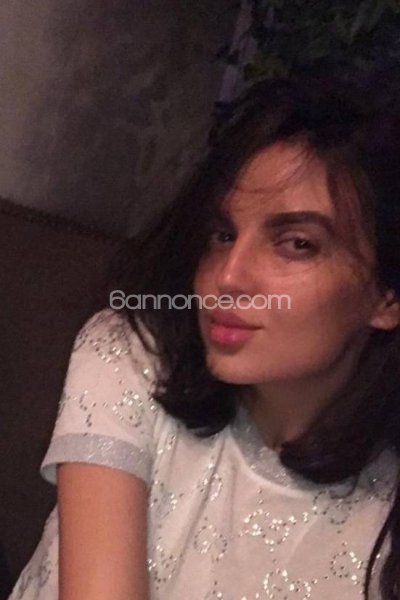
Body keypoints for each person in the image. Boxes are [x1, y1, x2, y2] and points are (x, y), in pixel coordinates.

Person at [9, 70, 400, 600]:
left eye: (297, 244)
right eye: (223, 234)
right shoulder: (133, 355)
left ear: (387, 297)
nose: (229, 276)